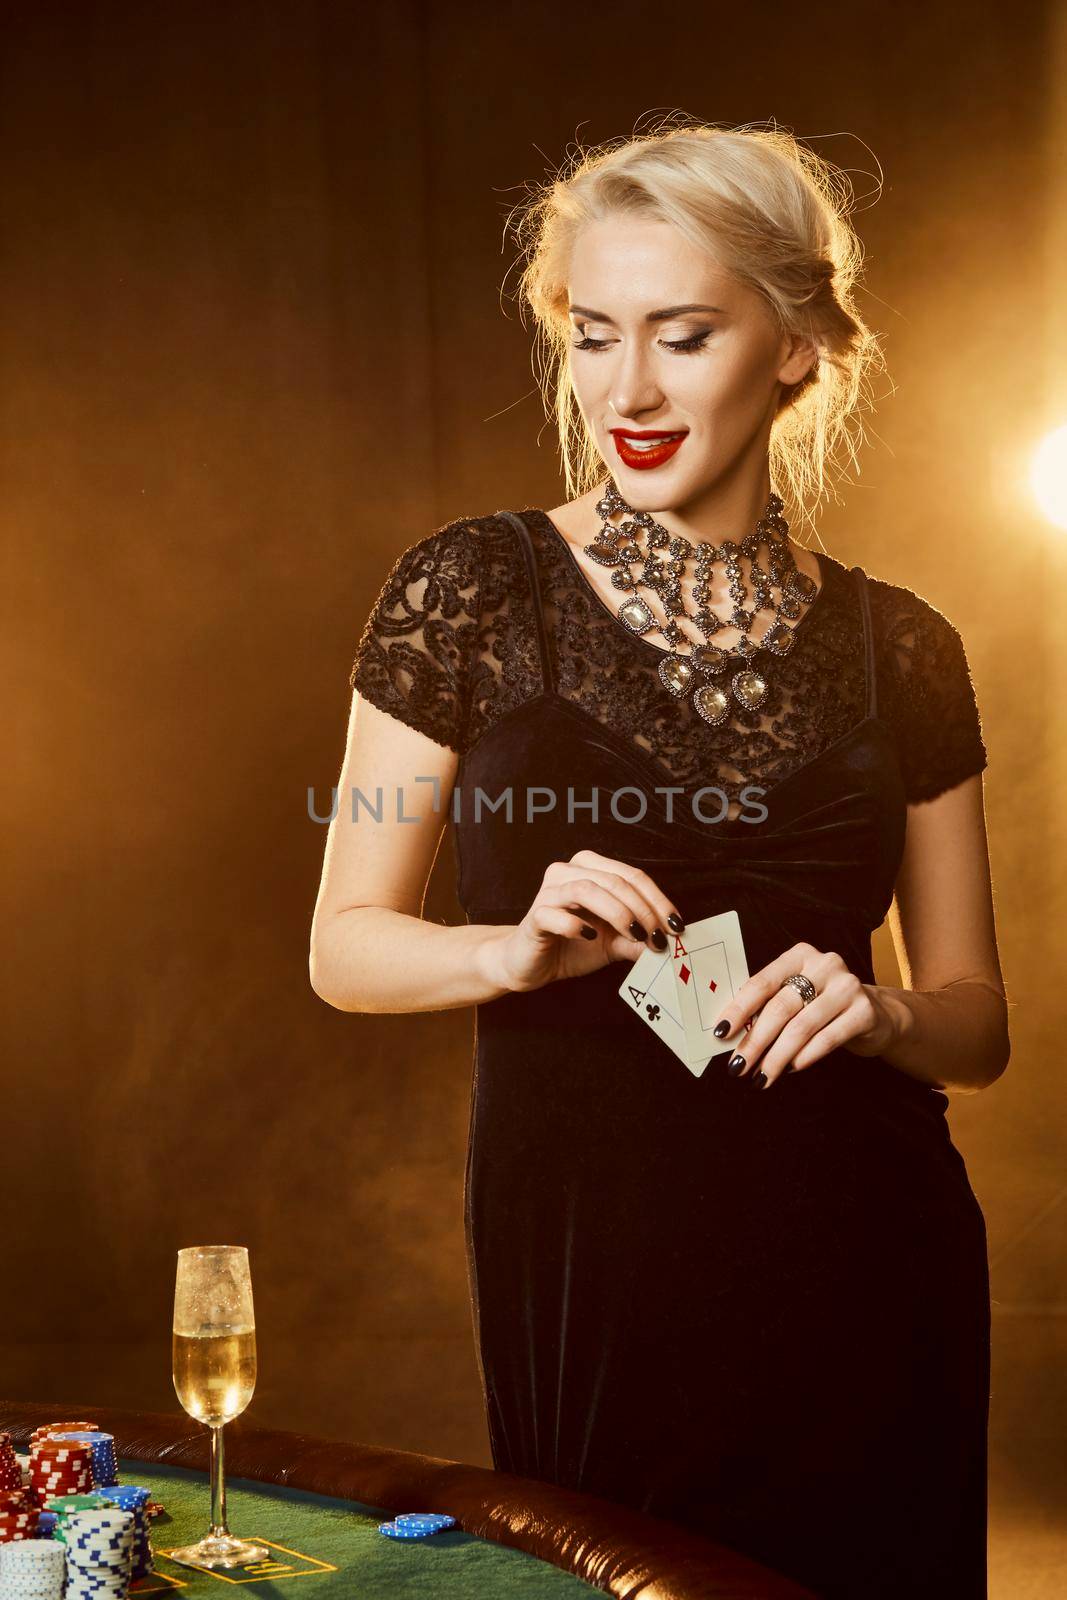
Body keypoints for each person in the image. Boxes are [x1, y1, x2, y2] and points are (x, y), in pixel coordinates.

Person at [309, 120, 1009, 1600]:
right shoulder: (469, 588)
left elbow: (978, 1018)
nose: (627, 390)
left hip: (872, 1259)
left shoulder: (906, 646)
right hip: (595, 1260)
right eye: (593, 336)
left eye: (683, 337)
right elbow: (345, 944)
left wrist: (885, 1013)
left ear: (799, 347)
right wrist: (505, 949)